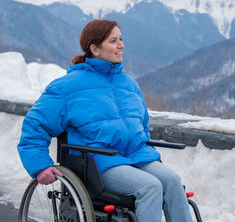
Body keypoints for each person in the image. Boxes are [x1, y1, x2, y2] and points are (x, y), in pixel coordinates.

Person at [17, 19, 193, 222]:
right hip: (99, 162)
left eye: (121, 39)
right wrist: (40, 166)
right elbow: (35, 124)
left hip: (136, 155)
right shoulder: (67, 87)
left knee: (173, 182)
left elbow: (142, 124)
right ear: (95, 49)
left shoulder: (129, 84)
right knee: (150, 187)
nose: (121, 45)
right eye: (113, 41)